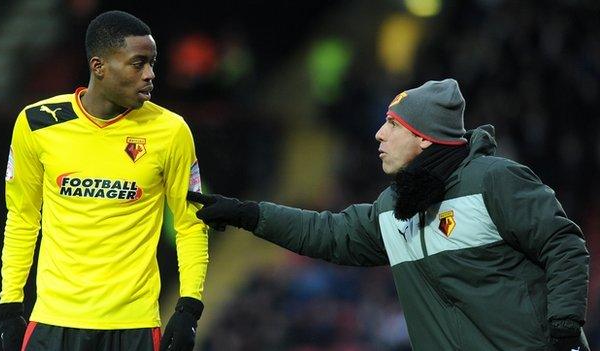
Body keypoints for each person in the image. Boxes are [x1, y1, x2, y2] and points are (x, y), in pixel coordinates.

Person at [188, 79, 590, 350]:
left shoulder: (495, 180)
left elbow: (564, 245)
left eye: (392, 124)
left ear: (423, 137)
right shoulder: (394, 208)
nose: (379, 134)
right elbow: (328, 233)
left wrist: (565, 333)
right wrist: (249, 214)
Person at [0, 10, 208, 351]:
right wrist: (9, 307)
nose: (150, 75)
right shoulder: (37, 123)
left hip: (134, 325)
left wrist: (189, 307)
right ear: (99, 67)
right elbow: (22, 217)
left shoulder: (171, 131)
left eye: (152, 63)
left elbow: (190, 224)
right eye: (138, 63)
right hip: (54, 321)